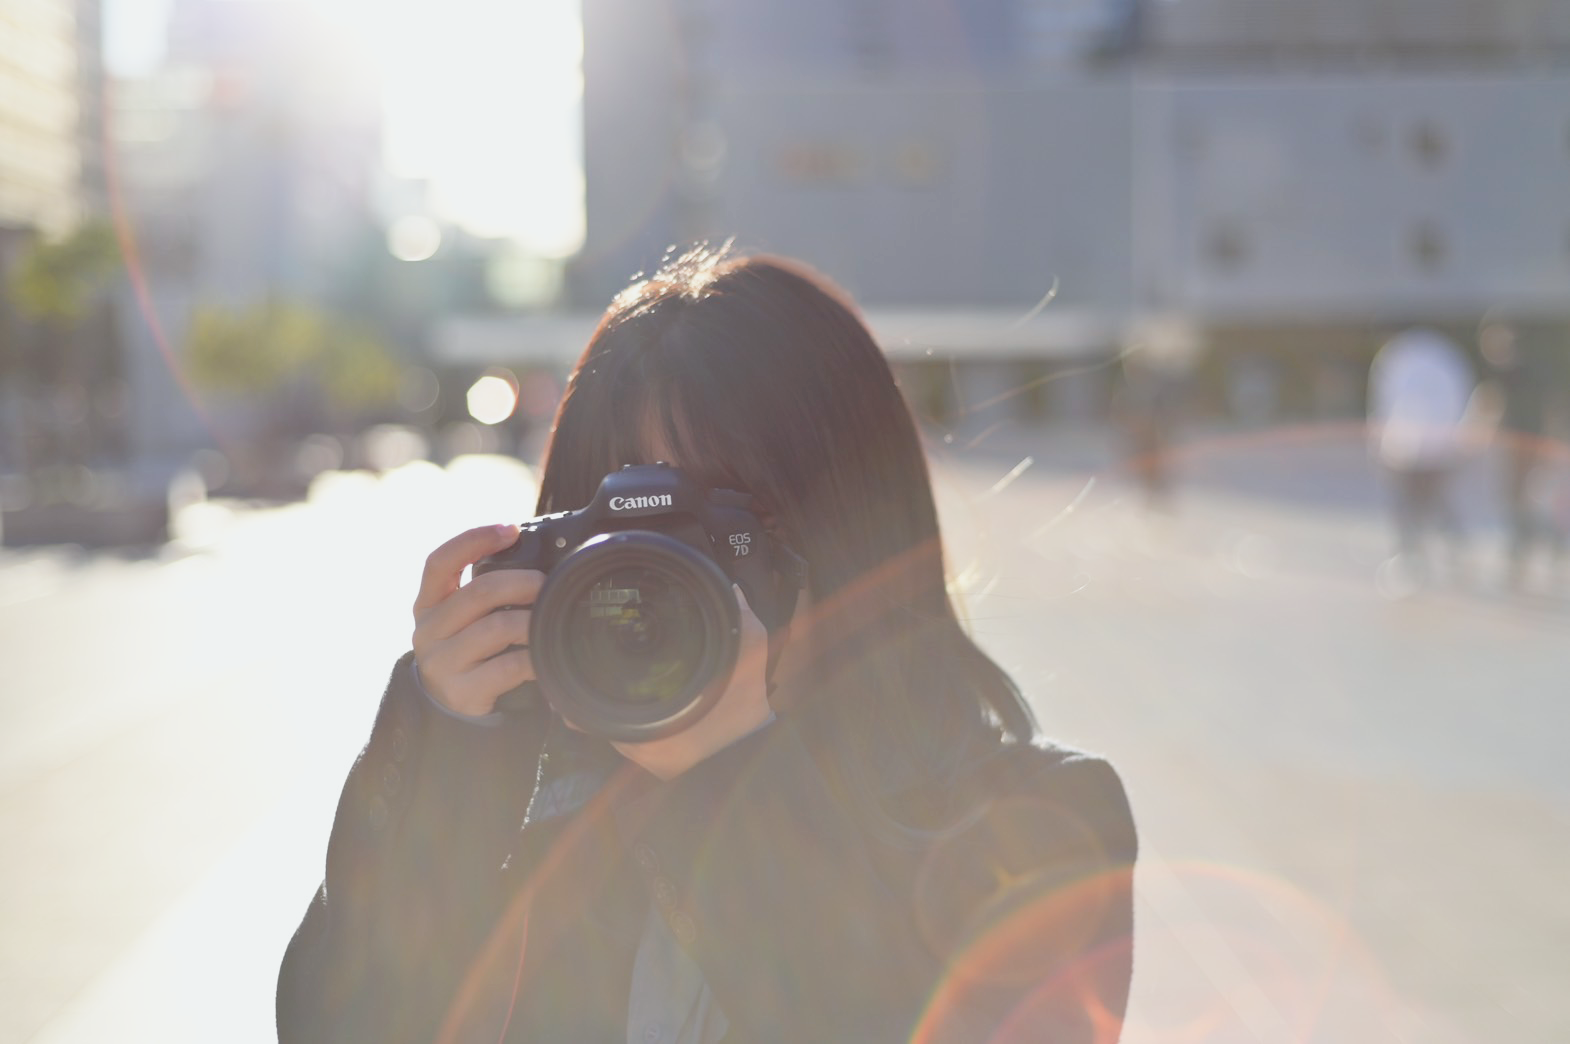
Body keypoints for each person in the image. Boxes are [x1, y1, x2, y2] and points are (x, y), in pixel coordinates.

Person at [277, 248, 1138, 1043]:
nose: (663, 583)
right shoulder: (531, 808)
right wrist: (443, 756)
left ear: (853, 529)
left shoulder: (1034, 826)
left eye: (725, 528)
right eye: (621, 534)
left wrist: (734, 778)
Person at [1366, 326, 1477, 587]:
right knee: (1430, 500)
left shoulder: (1395, 358)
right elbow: (1459, 397)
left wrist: (1380, 444)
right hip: (1436, 445)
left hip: (1407, 447)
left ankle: (1417, 554)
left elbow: (1384, 402)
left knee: (1411, 503)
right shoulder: (1443, 356)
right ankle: (1445, 549)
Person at [1479, 316, 1566, 590]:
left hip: (1522, 447)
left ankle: (1527, 547)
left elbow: (1499, 410)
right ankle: (1536, 544)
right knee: (1518, 499)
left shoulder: (1511, 373)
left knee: (1516, 499)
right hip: (1525, 445)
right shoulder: (1526, 371)